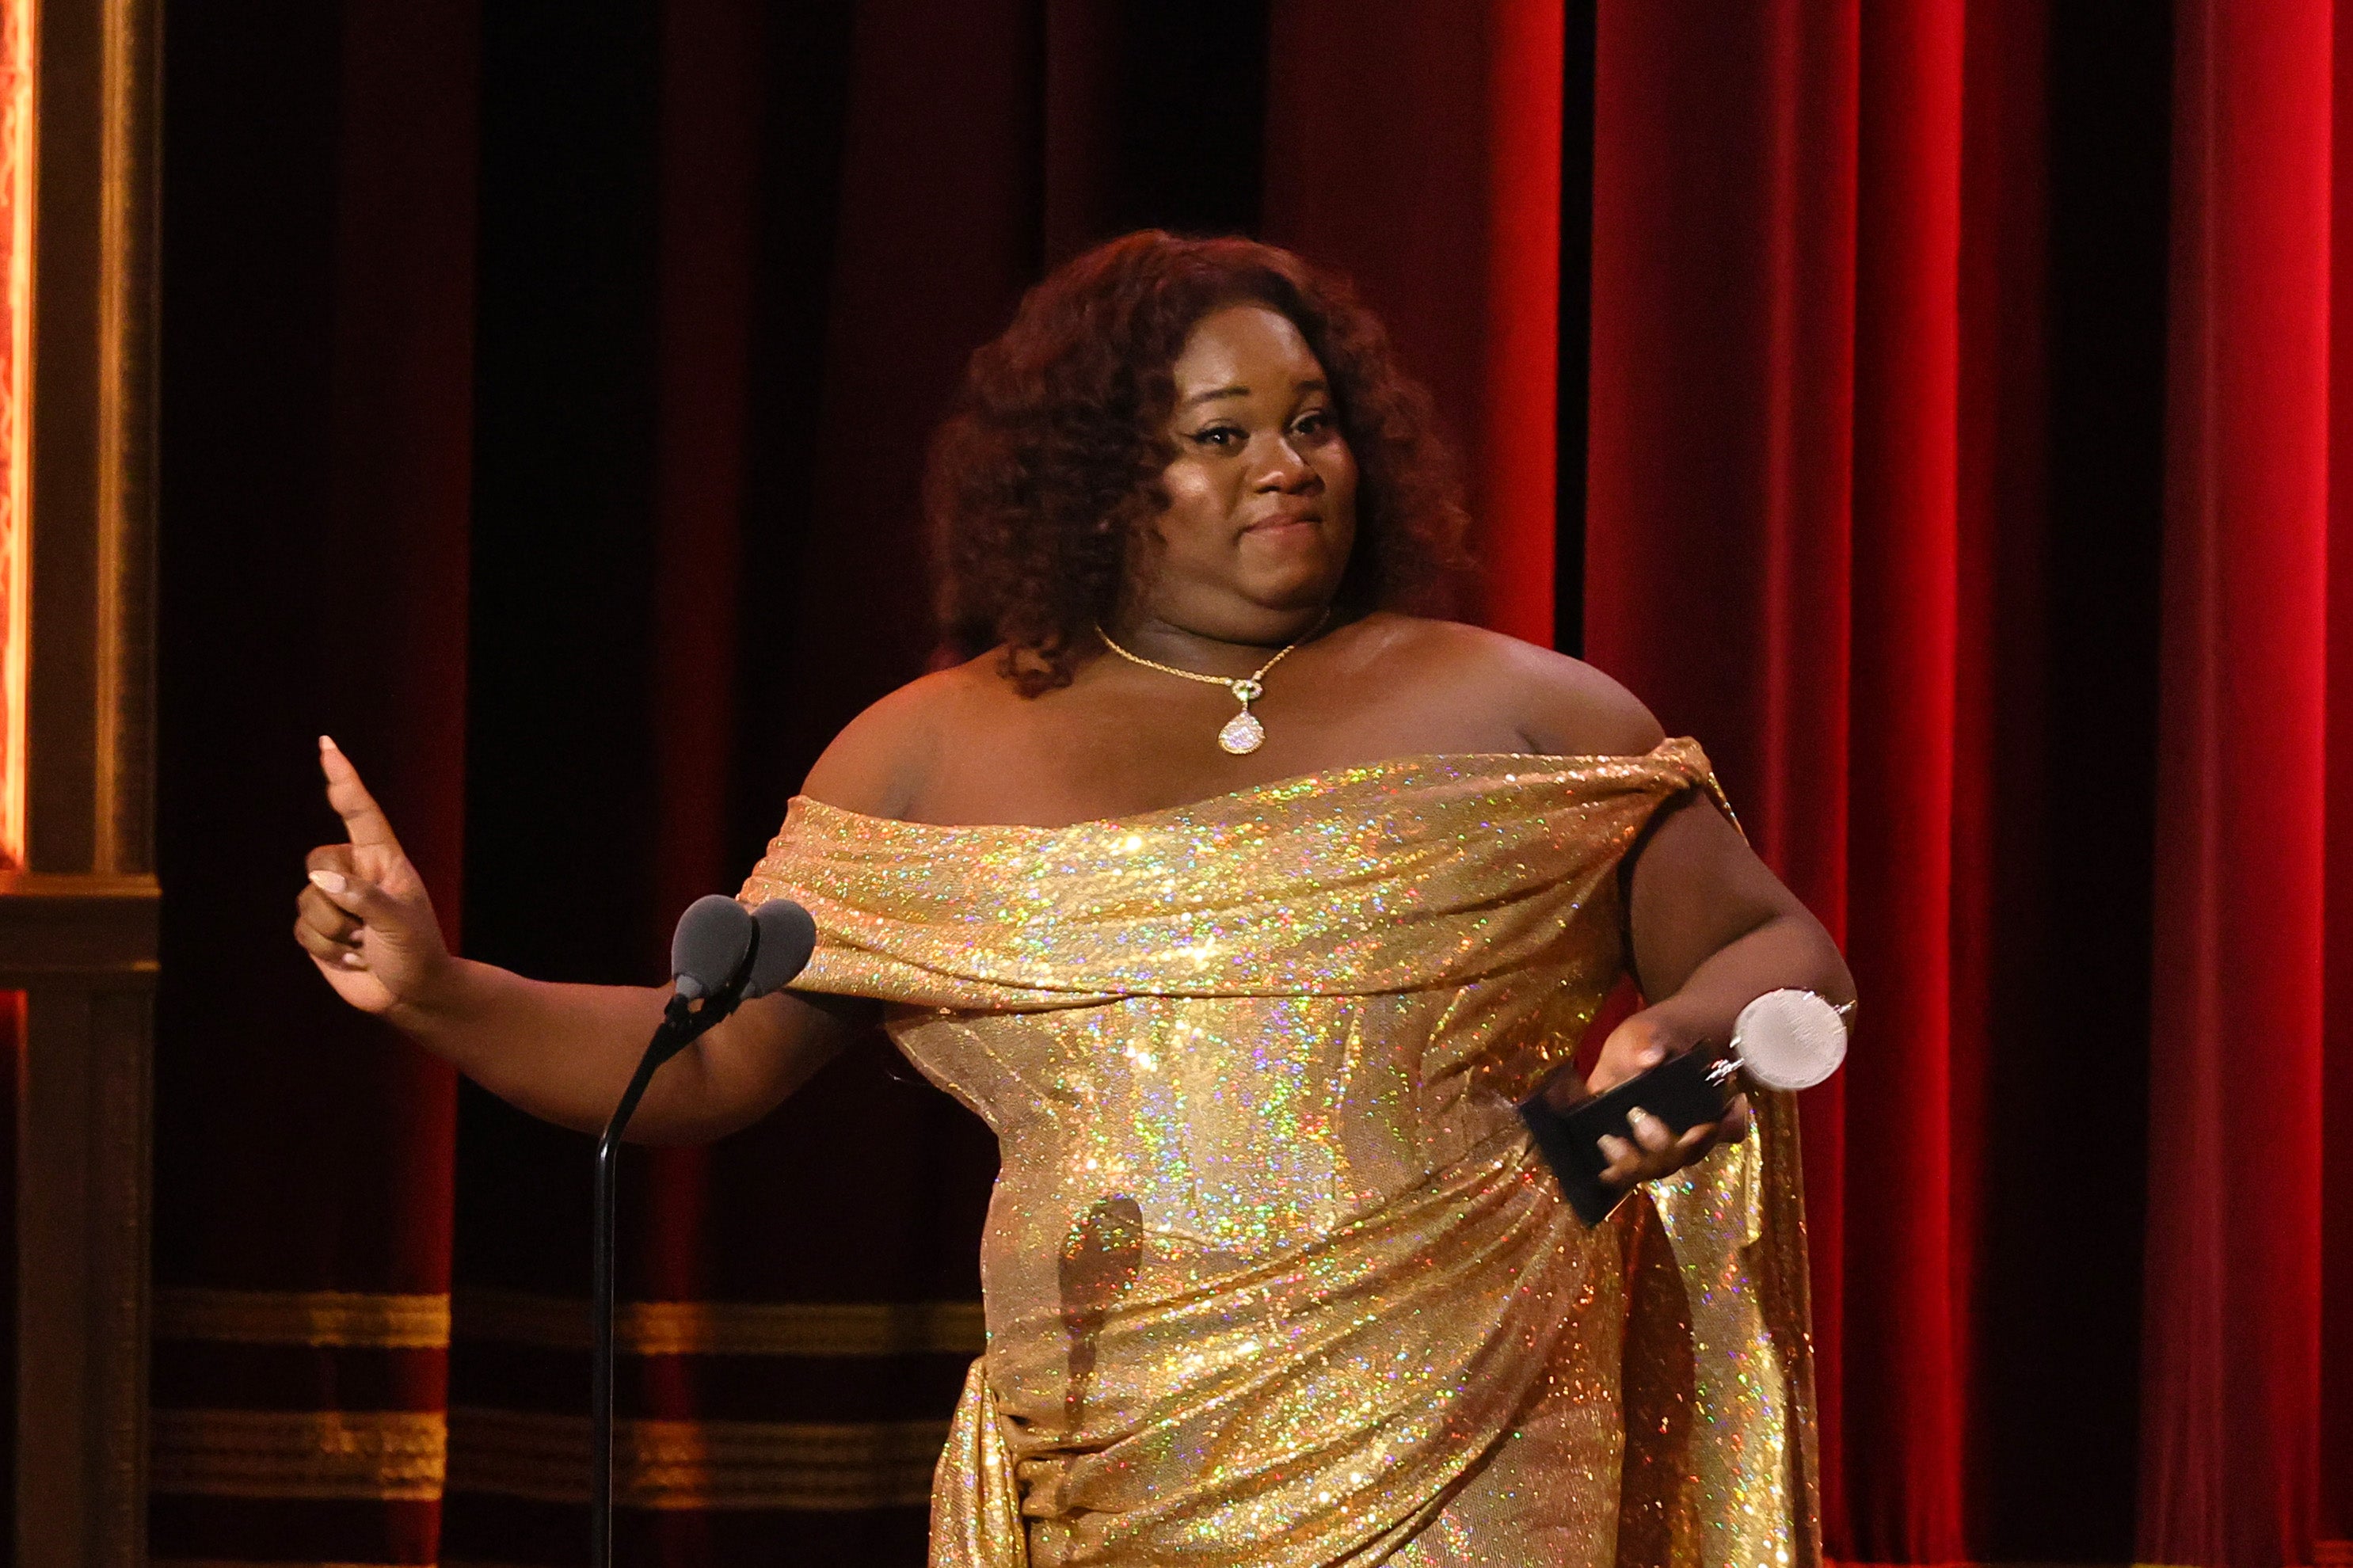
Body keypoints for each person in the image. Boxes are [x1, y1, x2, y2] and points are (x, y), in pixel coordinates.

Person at [295, 231, 1853, 1568]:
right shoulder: (922, 754)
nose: (1286, 466)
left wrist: (1693, 1031)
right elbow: (700, 1061)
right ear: (1104, 482)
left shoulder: (1529, 712)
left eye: (1311, 423)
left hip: (1479, 1415)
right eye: (1220, 435)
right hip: (1104, 1458)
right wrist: (440, 989)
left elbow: (1793, 961)